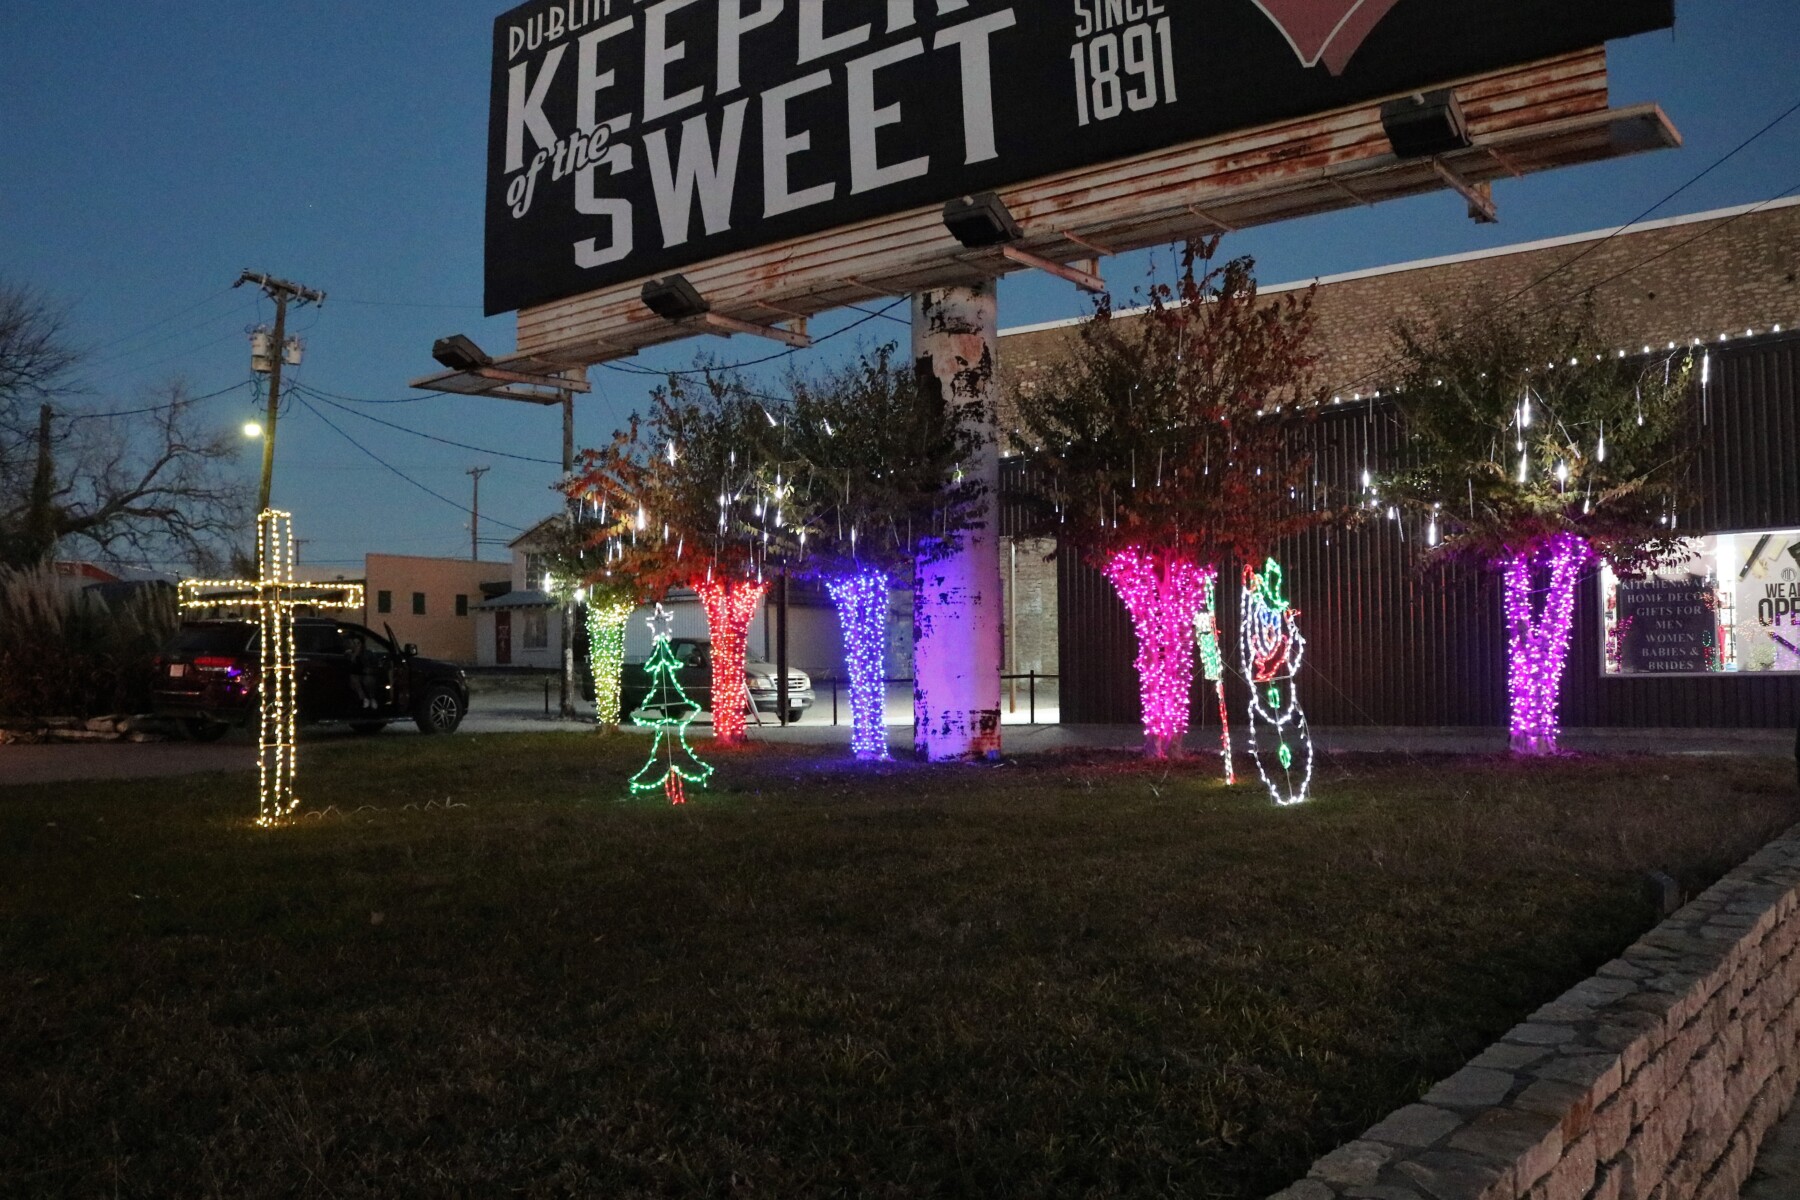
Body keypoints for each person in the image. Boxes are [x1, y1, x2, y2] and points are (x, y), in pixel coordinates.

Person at [345, 632, 380, 711]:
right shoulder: (349, 653)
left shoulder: (368, 653)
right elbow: (349, 664)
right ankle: (364, 698)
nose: (357, 645)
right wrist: (355, 654)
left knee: (368, 680)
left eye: (358, 643)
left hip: (367, 675)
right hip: (354, 676)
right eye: (354, 643)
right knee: (354, 679)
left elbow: (374, 665)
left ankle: (372, 698)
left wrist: (369, 669)